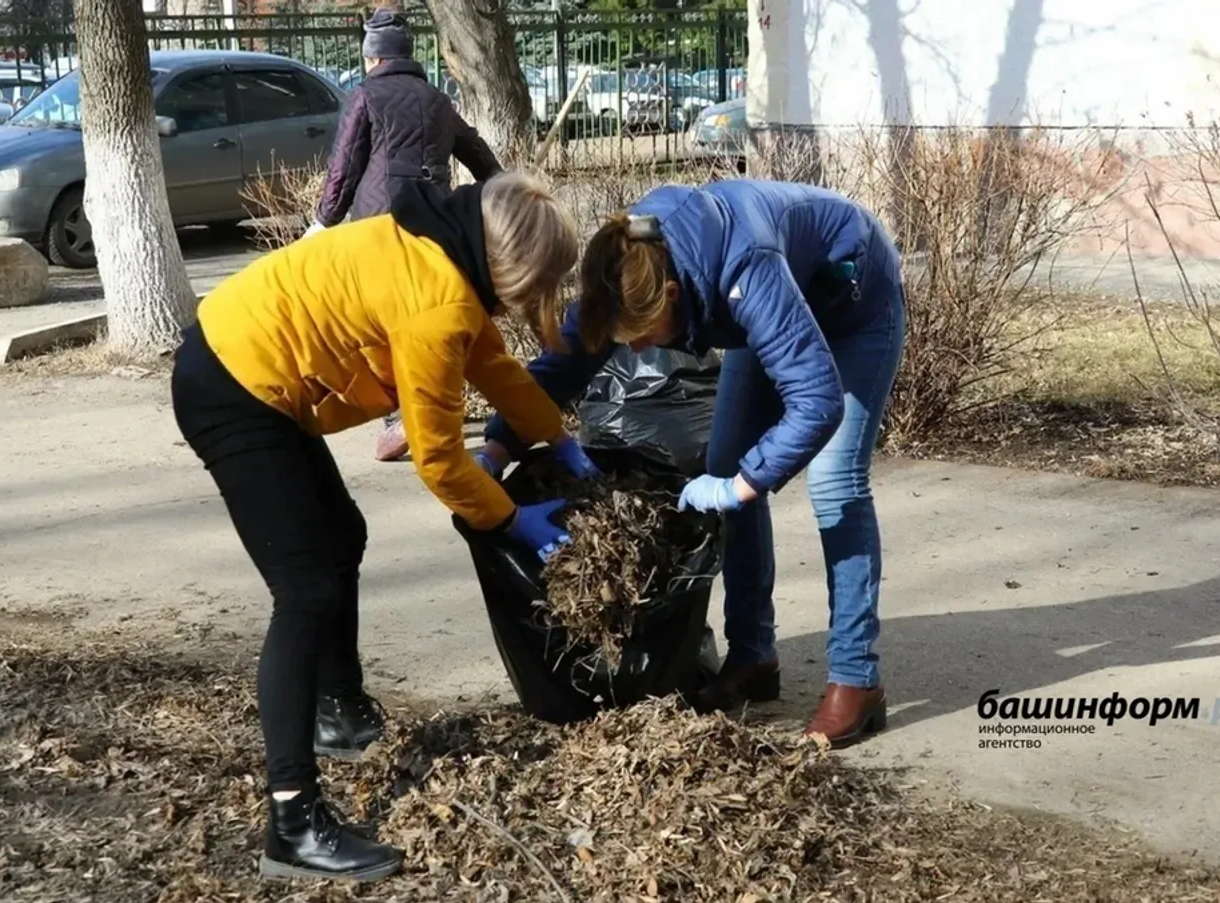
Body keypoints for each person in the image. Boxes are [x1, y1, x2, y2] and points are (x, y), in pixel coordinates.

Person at [170, 170, 602, 882]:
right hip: (234, 387)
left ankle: (338, 709)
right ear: (519, 270)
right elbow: (438, 459)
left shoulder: (441, 248)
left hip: (244, 359)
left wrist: (558, 438)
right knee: (304, 590)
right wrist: (509, 519)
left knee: (342, 536)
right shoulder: (438, 300)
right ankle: (292, 823)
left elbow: (494, 366)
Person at [477, 179, 907, 749]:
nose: (634, 351)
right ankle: (753, 656)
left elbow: (817, 401)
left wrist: (743, 487)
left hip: (852, 299)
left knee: (834, 482)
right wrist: (497, 447)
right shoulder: (623, 265)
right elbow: (561, 367)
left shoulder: (746, 268)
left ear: (674, 294)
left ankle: (856, 679)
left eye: (640, 338)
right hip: (775, 304)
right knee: (725, 460)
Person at [302, 4, 506, 464]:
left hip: (378, 229)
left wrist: (324, 220)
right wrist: (499, 195)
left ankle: (400, 415)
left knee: (380, 324)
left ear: (373, 57)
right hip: (435, 227)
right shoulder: (436, 100)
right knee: (429, 318)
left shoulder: (364, 97)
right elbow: (480, 155)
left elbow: (344, 169)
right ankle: (437, 403)